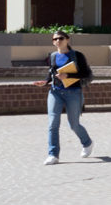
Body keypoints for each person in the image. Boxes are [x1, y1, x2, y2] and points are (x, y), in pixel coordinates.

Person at [40, 31, 98, 165]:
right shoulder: (53, 56)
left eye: (61, 38)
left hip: (73, 93)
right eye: (55, 39)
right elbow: (52, 73)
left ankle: (87, 143)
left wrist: (69, 77)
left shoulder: (77, 56)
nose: (58, 41)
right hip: (55, 92)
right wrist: (44, 82)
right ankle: (53, 154)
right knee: (53, 123)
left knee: (74, 124)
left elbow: (86, 74)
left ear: (67, 39)